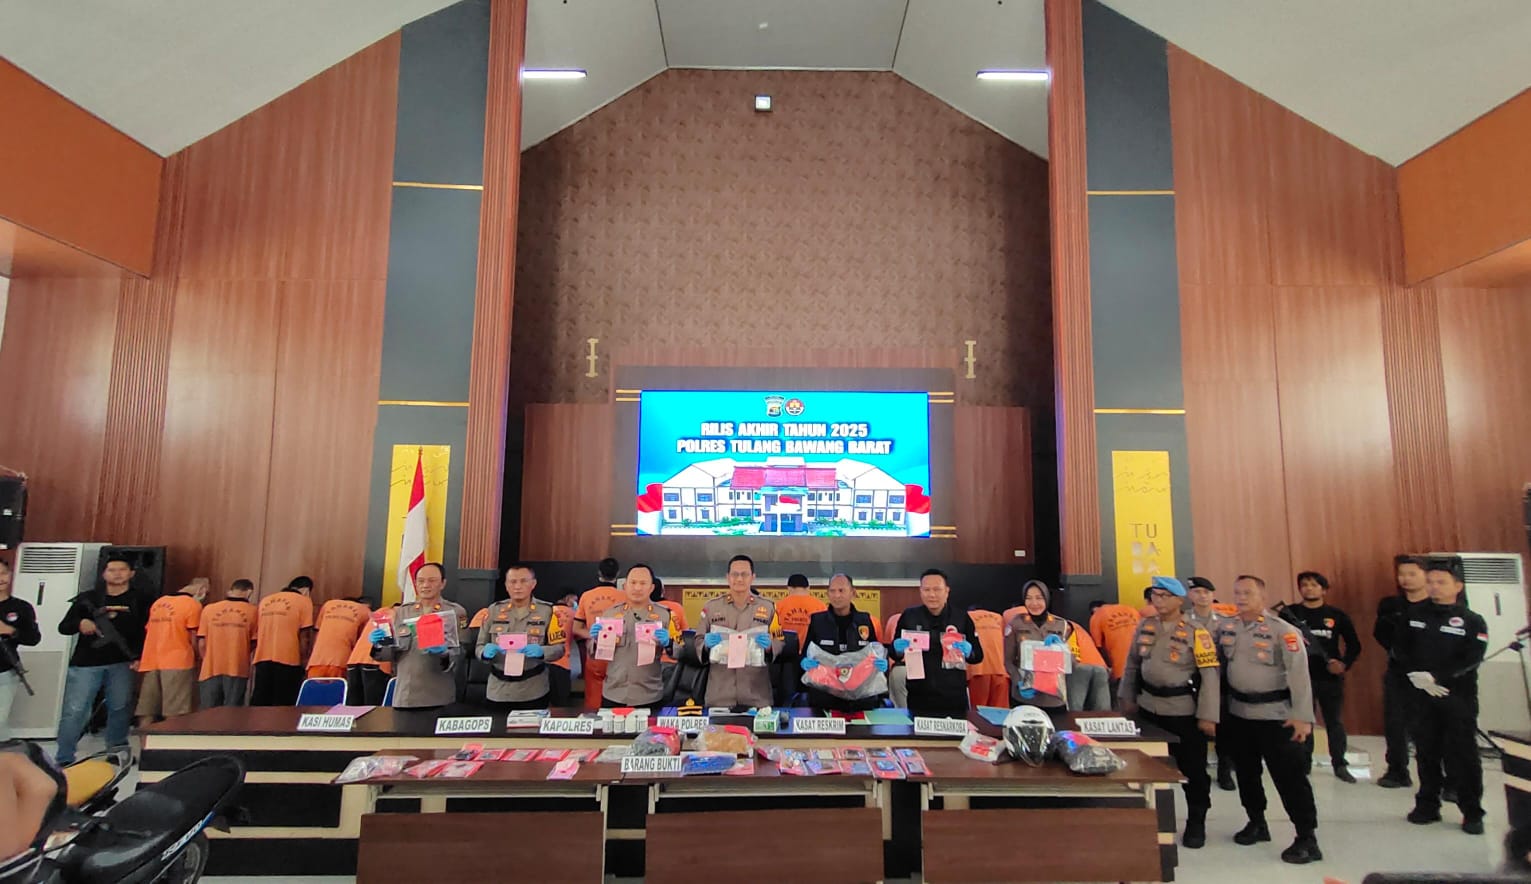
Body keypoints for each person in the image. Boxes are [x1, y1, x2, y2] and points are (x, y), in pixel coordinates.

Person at [1214, 574, 1319, 864]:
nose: (1241, 597)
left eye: (1247, 593)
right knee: (1247, 774)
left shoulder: (1283, 630)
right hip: (1239, 714)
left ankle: (1307, 837)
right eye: (1237, 592)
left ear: (1262, 596)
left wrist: (1302, 717)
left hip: (1277, 717)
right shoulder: (1227, 627)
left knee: (1290, 778)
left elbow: (1300, 675)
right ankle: (1257, 822)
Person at [1118, 576, 1220, 848]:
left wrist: (1208, 715)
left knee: (1193, 770)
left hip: (1182, 711)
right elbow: (1132, 664)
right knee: (1147, 768)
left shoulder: (1196, 631)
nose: (1159, 601)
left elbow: (1210, 675)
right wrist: (1127, 697)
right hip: (1148, 707)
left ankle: (1197, 821)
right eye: (1155, 595)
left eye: (1165, 596)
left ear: (1179, 599)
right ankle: (1151, 820)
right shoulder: (1146, 625)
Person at [1395, 556, 1487, 835]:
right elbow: (1400, 648)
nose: (1434, 587)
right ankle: (1427, 804)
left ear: (1457, 586)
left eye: (1441, 582)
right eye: (1431, 582)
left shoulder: (1472, 620)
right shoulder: (1413, 614)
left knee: (1463, 754)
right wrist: (1415, 675)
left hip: (1456, 696)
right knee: (1426, 750)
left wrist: (1438, 677)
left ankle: (1472, 811)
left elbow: (1472, 658)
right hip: (1421, 694)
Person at [55, 557, 149, 764]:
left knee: (120, 708)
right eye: (112, 570)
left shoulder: (141, 599)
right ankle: (64, 757)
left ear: (131, 573)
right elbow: (64, 627)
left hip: (123, 663)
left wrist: (139, 656)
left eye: (122, 569)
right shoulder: (88, 598)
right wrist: (81, 623)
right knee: (75, 710)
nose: (117, 574)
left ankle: (116, 753)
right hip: (86, 664)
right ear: (104, 574)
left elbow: (147, 631)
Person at [1279, 571, 1361, 782]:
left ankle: (1339, 764)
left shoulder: (1337, 615)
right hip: (1299, 678)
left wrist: (1343, 664)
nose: (1309, 588)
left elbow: (1354, 645)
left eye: (1314, 585)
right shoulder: (1289, 613)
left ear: (1324, 590)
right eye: (1304, 585)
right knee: (1302, 721)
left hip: (1329, 679)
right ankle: (1303, 764)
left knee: (1334, 722)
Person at [1003, 580, 1111, 710]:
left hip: (1054, 699)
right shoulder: (1016, 624)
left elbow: (1073, 663)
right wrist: (1018, 681)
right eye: (1029, 598)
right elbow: (1008, 660)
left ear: (1047, 598)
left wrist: (1063, 650)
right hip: (1024, 697)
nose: (1034, 603)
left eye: (1039, 598)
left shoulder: (1062, 625)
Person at [371, 563, 466, 709]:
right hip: (406, 695)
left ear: (443, 583)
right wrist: (380, 644)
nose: (425, 585)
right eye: (421, 581)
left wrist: (444, 653)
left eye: (432, 580)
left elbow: (462, 654)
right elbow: (390, 655)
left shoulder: (456, 612)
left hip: (439, 695)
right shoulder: (403, 612)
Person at [890, 569, 981, 719]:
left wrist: (969, 651)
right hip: (919, 695)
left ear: (947, 591)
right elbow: (894, 654)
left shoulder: (961, 617)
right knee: (918, 733)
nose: (931, 594)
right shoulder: (909, 616)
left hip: (953, 695)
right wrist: (896, 648)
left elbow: (978, 655)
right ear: (920, 591)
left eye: (937, 589)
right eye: (926, 590)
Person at [1375, 554, 1431, 789]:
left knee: (1432, 726)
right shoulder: (1391, 605)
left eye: (1412, 574)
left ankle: (1444, 779)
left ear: (1426, 576)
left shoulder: (1436, 606)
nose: (1406, 579)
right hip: (1399, 672)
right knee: (1395, 722)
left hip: (1432, 674)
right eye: (1401, 574)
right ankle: (1397, 770)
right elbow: (1380, 633)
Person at [475, 564, 565, 709]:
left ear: (533, 584)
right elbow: (479, 646)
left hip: (533, 689)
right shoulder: (494, 610)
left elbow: (559, 649)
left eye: (523, 581)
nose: (517, 586)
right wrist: (484, 652)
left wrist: (542, 651)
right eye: (513, 582)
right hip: (498, 690)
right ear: (506, 585)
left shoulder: (547, 611)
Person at [696, 555, 781, 709]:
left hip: (756, 695)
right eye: (735, 574)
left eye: (744, 574)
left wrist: (770, 646)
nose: (739, 579)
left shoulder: (769, 608)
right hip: (720, 695)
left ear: (753, 577)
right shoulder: (711, 607)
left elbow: (780, 641)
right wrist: (705, 644)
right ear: (728, 577)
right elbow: (698, 640)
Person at [800, 573, 887, 711]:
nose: (837, 595)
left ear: (853, 593)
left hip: (860, 693)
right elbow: (805, 653)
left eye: (841, 590)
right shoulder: (817, 621)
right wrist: (805, 662)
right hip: (826, 692)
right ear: (827, 594)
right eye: (832, 591)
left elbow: (874, 652)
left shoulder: (865, 620)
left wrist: (880, 663)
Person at [592, 564, 672, 707]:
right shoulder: (610, 614)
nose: (637, 588)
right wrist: (595, 640)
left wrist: (669, 643)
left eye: (643, 583)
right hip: (614, 693)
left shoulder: (665, 615)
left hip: (649, 695)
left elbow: (681, 650)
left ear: (652, 588)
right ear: (625, 586)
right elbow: (594, 653)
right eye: (633, 583)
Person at [1186, 576, 1236, 791]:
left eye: (1206, 592)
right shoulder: (1183, 620)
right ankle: (1197, 769)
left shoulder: (1225, 622)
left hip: (1221, 682)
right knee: (1194, 729)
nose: (1202, 596)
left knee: (1224, 729)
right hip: (1192, 681)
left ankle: (1225, 771)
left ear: (1213, 595)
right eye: (1197, 592)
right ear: (1190, 595)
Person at [135, 581, 205, 726]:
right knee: (175, 711)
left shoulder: (159, 603)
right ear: (201, 590)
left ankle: (144, 740)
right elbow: (194, 635)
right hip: (178, 660)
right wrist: (198, 656)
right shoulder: (192, 605)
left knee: (147, 709)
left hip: (151, 660)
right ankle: (172, 740)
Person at [250, 576, 316, 706]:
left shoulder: (265, 601)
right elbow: (305, 636)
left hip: (262, 658)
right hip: (289, 659)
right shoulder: (304, 602)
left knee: (260, 703)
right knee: (284, 705)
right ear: (306, 590)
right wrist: (304, 661)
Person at [196, 580, 259, 709]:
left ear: (231, 590)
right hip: (237, 667)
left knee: (207, 713)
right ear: (249, 592)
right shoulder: (253, 611)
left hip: (210, 669)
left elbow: (201, 643)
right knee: (232, 713)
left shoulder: (209, 609)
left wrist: (206, 659)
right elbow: (254, 642)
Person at [573, 558, 623, 710]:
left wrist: (593, 635)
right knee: (619, 700)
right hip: (619, 654)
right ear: (618, 574)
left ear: (599, 573)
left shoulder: (586, 596)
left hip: (595, 653)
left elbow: (576, 628)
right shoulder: (625, 597)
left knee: (593, 704)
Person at [0, 559, 42, 739]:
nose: (0, 578)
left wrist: (10, 631)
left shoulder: (21, 607)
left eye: (3, 573)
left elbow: (33, 638)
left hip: (5, 670)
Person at [307, 596, 372, 680]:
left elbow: (316, 633)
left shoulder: (328, 605)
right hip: (342, 663)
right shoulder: (365, 611)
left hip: (316, 662)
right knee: (338, 688)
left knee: (313, 688)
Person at [1088, 597, 1141, 685]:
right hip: (1143, 665)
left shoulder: (1096, 617)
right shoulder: (1131, 609)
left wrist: (1108, 667)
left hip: (1121, 669)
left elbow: (1098, 647)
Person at [965, 607, 1009, 709]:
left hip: (977, 671)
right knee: (1000, 713)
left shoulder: (966, 617)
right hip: (1001, 671)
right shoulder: (998, 617)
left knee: (978, 713)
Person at [548, 591, 580, 707]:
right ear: (567, 598)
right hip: (563, 662)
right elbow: (579, 635)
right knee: (561, 703)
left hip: (544, 661)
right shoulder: (573, 614)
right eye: (574, 600)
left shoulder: (546, 611)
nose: (575, 603)